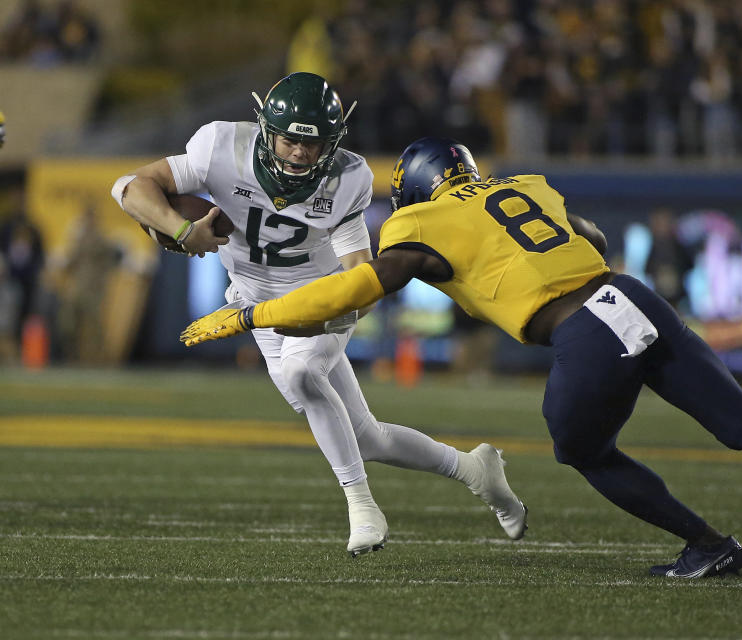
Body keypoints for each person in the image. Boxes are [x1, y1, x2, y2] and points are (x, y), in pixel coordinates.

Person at [181, 136, 742, 589]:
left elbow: (347, 289)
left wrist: (251, 313)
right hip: (629, 297)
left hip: (584, 332)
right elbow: (593, 235)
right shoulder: (525, 184)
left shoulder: (418, 220)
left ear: (412, 184)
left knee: (578, 446)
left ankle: (706, 545)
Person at [112, 75, 526, 557]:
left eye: (314, 143)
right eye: (290, 139)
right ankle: (475, 470)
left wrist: (347, 304)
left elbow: (357, 271)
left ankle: (362, 504)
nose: (300, 154)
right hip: (256, 304)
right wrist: (182, 229)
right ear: (266, 129)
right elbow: (127, 187)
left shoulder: (348, 176)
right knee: (367, 436)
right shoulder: (220, 146)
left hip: (323, 297)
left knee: (303, 370)